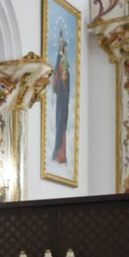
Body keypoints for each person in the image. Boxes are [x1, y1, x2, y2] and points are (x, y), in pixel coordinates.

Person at [50, 30, 72, 165]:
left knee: (62, 127)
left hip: (64, 105)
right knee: (59, 126)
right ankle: (58, 153)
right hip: (61, 104)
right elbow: (57, 80)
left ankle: (61, 155)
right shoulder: (61, 65)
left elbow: (65, 87)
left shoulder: (66, 70)